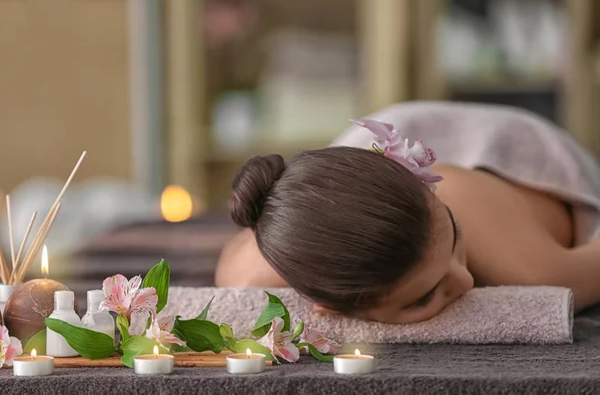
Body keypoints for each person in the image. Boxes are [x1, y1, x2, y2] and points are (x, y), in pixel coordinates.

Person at [215, 101, 600, 324]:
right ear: (332, 310)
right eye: (424, 297)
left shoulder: (532, 269)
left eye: (454, 235)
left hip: (507, 147)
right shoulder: (254, 270)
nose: (465, 281)